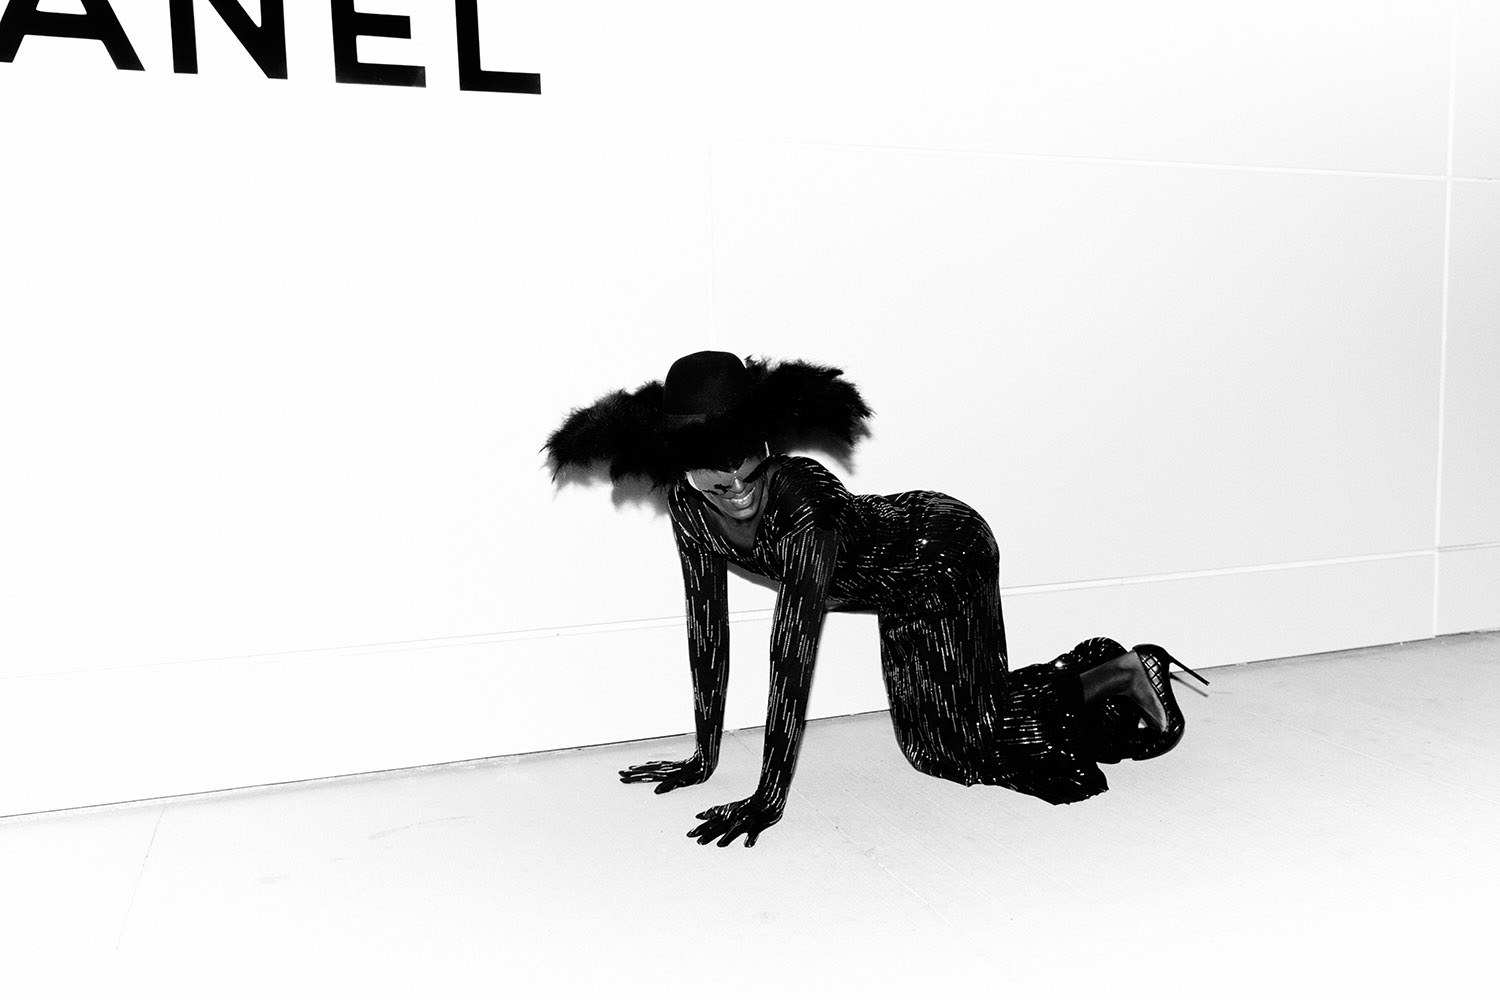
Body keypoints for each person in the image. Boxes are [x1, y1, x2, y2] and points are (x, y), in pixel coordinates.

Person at [544, 351, 1206, 848]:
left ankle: (1122, 673)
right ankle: (1105, 675)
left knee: (968, 743)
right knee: (931, 749)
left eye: (747, 461)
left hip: (943, 550)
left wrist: (768, 798)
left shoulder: (802, 509)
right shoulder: (690, 511)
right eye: (714, 474)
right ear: (678, 466)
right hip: (897, 588)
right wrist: (703, 758)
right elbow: (707, 631)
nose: (737, 485)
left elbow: (791, 657)